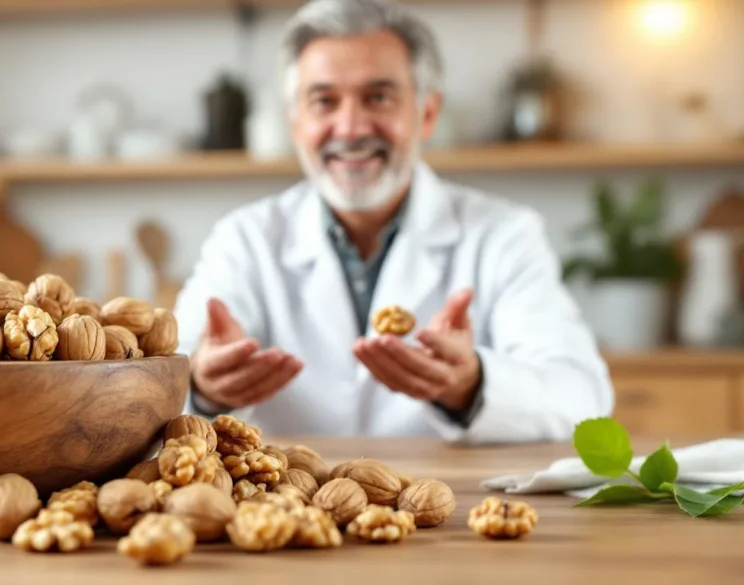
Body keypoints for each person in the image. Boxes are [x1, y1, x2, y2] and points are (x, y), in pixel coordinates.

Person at [171, 0, 614, 444]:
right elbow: (164, 386)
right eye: (324, 101)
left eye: (378, 97)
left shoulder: (504, 234)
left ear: (427, 114)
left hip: (447, 506)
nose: (350, 127)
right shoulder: (245, 238)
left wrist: (470, 384)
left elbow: (583, 402)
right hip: (285, 504)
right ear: (296, 122)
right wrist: (205, 389)